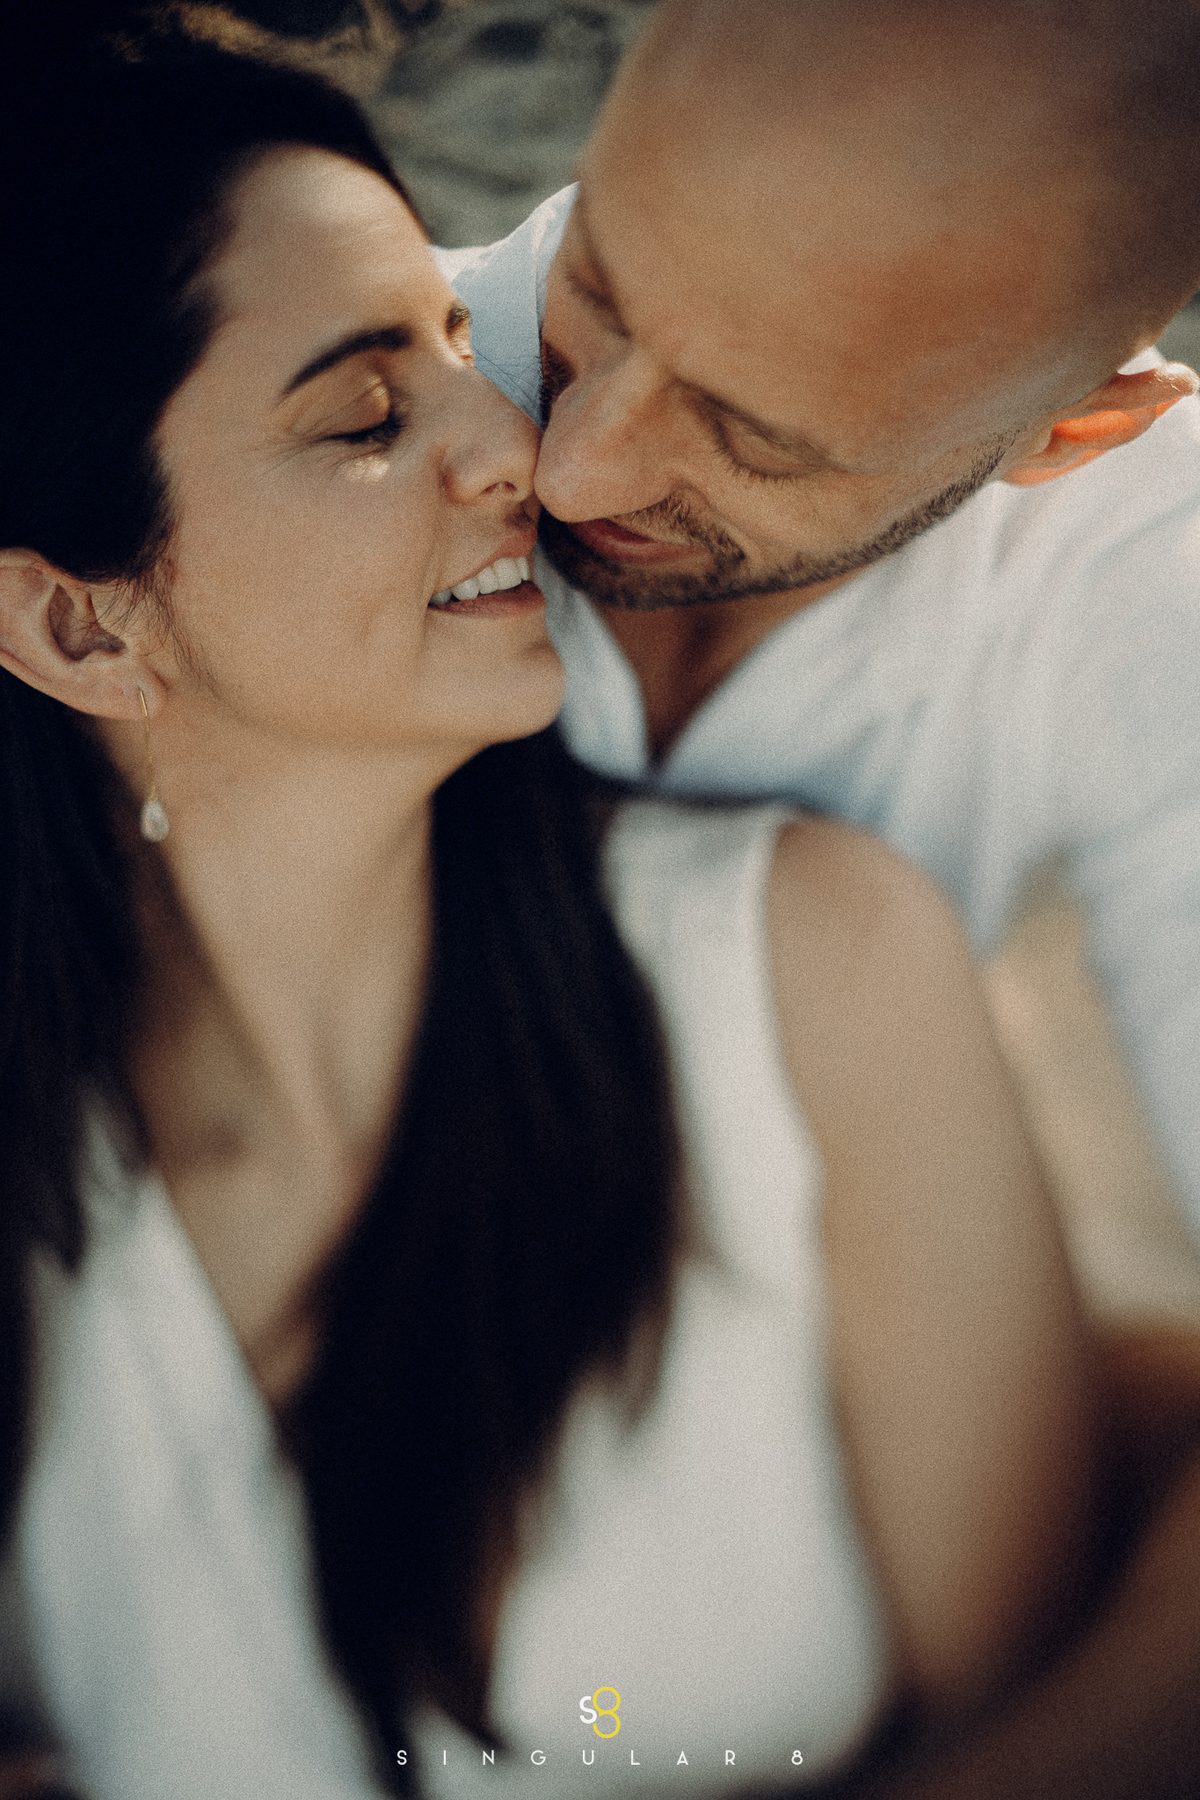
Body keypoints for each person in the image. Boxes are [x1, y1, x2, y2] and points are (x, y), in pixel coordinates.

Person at [0, 8, 1095, 1799]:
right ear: (80, 623)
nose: (522, 446)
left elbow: (1063, 1730)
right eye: (364, 415)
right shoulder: (46, 1212)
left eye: (457, 345)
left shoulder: (806, 964)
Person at [434, 1, 1200, 1793]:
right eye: (596, 286)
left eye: (755, 439)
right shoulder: (290, 373)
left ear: (1078, 432)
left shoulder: (1155, 573)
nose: (572, 465)